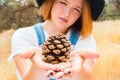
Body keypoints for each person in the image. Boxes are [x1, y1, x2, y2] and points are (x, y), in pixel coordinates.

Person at [8, 0, 105, 80]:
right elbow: (27, 77)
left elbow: (86, 76)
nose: (67, 13)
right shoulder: (24, 35)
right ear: (51, 2)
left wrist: (79, 68)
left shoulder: (84, 39)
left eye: (76, 9)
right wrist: (37, 66)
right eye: (63, 2)